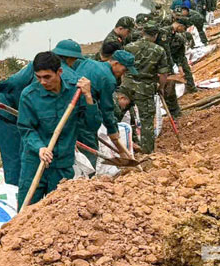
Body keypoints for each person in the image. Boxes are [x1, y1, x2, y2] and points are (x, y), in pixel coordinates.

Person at [17, 52, 99, 207]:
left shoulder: (76, 92)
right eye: (38, 77)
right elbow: (26, 129)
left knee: (56, 211)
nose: (42, 82)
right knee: (26, 210)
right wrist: (39, 147)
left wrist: (88, 97)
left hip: (62, 164)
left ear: (59, 72)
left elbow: (92, 126)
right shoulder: (29, 95)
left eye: (47, 77)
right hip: (35, 162)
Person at [51, 40, 131, 167]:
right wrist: (113, 131)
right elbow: (107, 109)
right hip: (83, 114)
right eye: (124, 69)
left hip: (66, 109)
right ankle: (88, 181)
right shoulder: (108, 79)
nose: (124, 73)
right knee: (90, 147)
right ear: (116, 63)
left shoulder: (90, 63)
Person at [121, 24, 171, 154]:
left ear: (143, 32)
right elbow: (163, 73)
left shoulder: (129, 47)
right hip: (146, 89)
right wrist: (161, 88)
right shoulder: (159, 50)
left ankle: (121, 146)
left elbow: (121, 67)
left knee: (118, 116)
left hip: (127, 86)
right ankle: (147, 152)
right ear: (155, 35)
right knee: (146, 121)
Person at [161, 18, 197, 95]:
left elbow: (180, 54)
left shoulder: (179, 38)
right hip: (163, 57)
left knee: (185, 68)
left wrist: (180, 66)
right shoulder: (164, 32)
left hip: (173, 55)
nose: (184, 30)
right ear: (180, 25)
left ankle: (191, 88)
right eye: (184, 28)